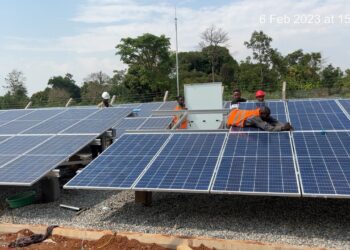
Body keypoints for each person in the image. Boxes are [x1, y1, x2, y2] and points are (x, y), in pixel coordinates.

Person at [226, 106, 293, 131]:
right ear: (261, 114)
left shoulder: (260, 112)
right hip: (231, 120)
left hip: (236, 112)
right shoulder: (255, 118)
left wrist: (283, 124)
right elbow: (267, 128)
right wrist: (283, 128)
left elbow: (273, 120)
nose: (268, 117)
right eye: (266, 116)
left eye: (268, 115)